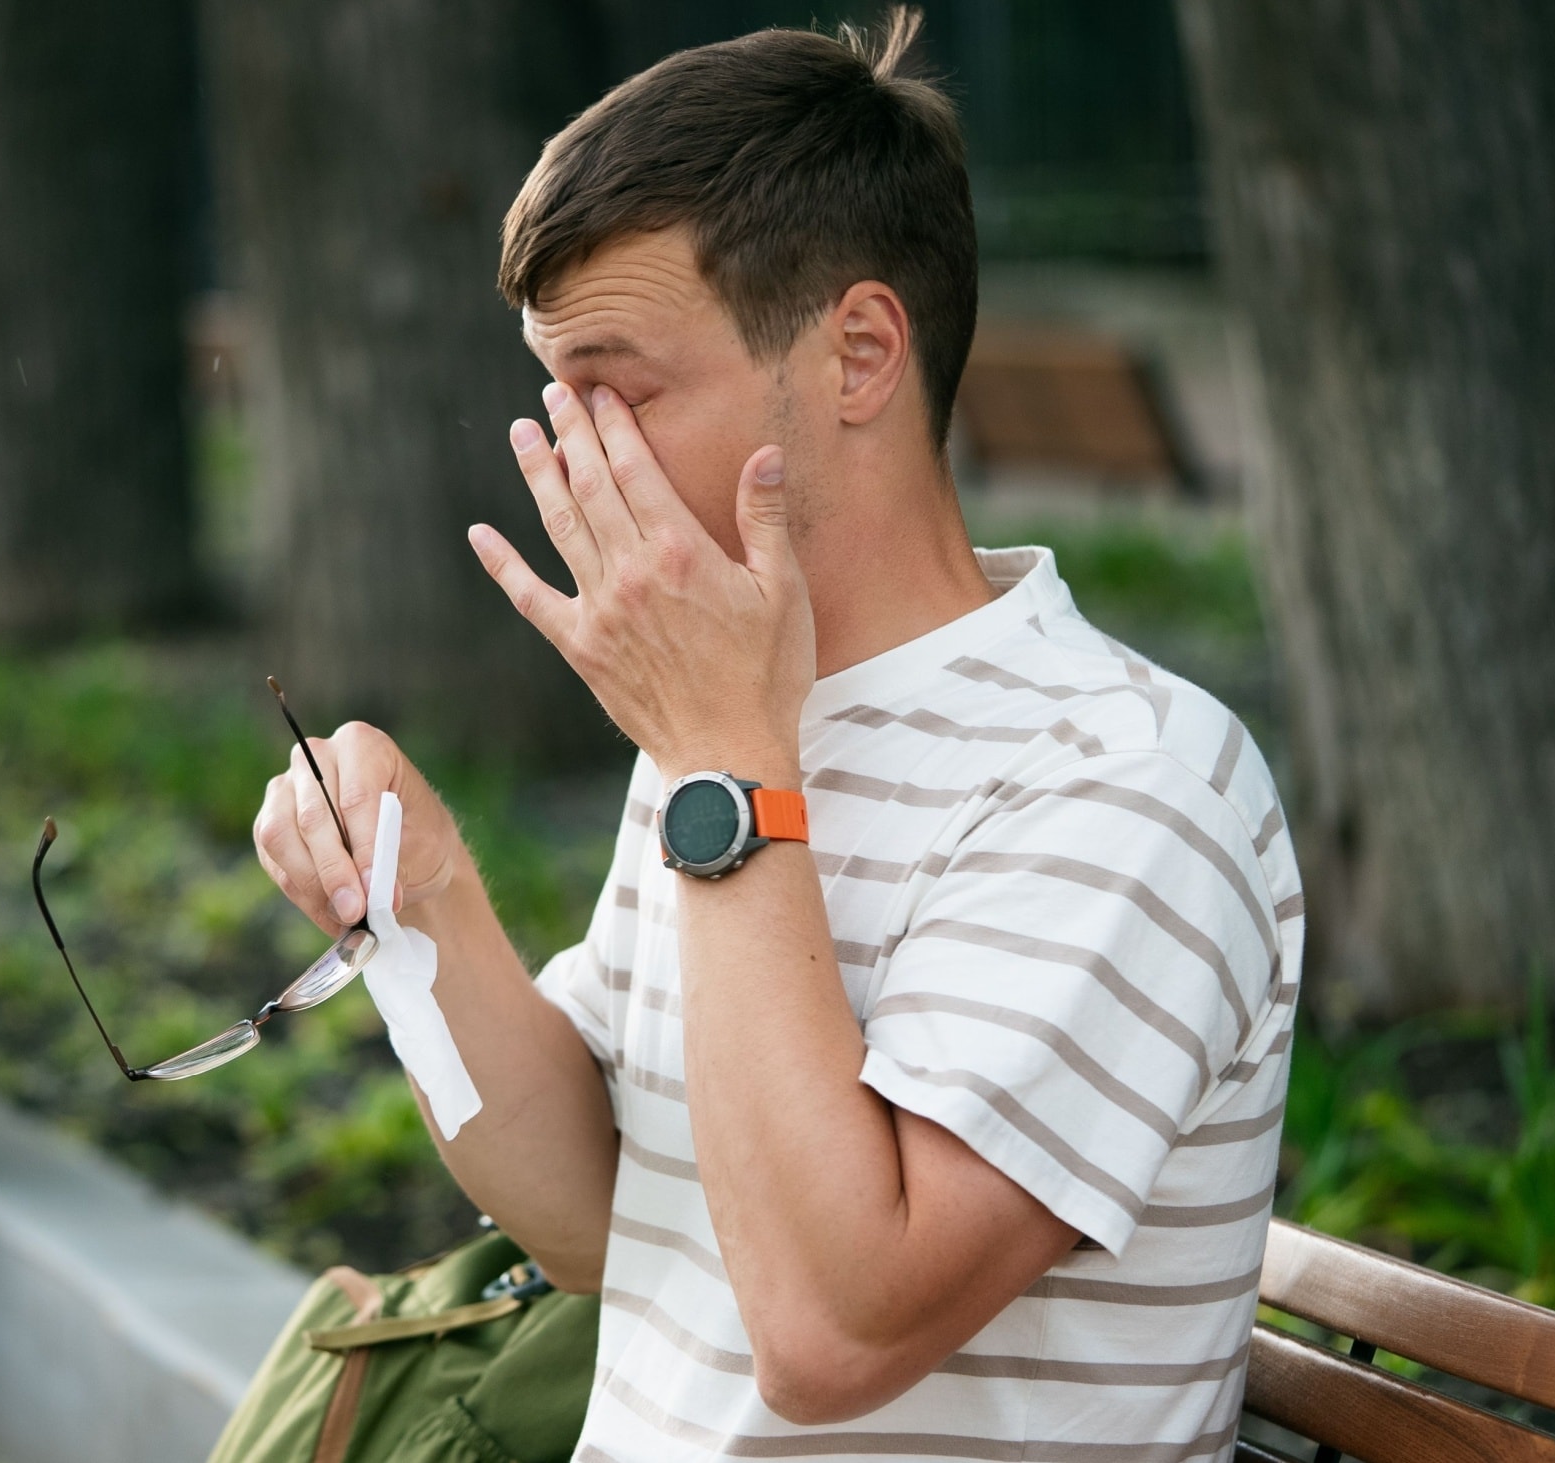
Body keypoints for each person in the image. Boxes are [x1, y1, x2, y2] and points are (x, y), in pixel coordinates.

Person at [251, 10, 1302, 1459]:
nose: (573, 459)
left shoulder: (1129, 786)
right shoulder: (732, 713)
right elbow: (592, 1221)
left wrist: (726, 775)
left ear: (859, 354)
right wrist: (418, 910)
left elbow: (830, 1334)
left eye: (620, 393)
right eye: (556, 396)